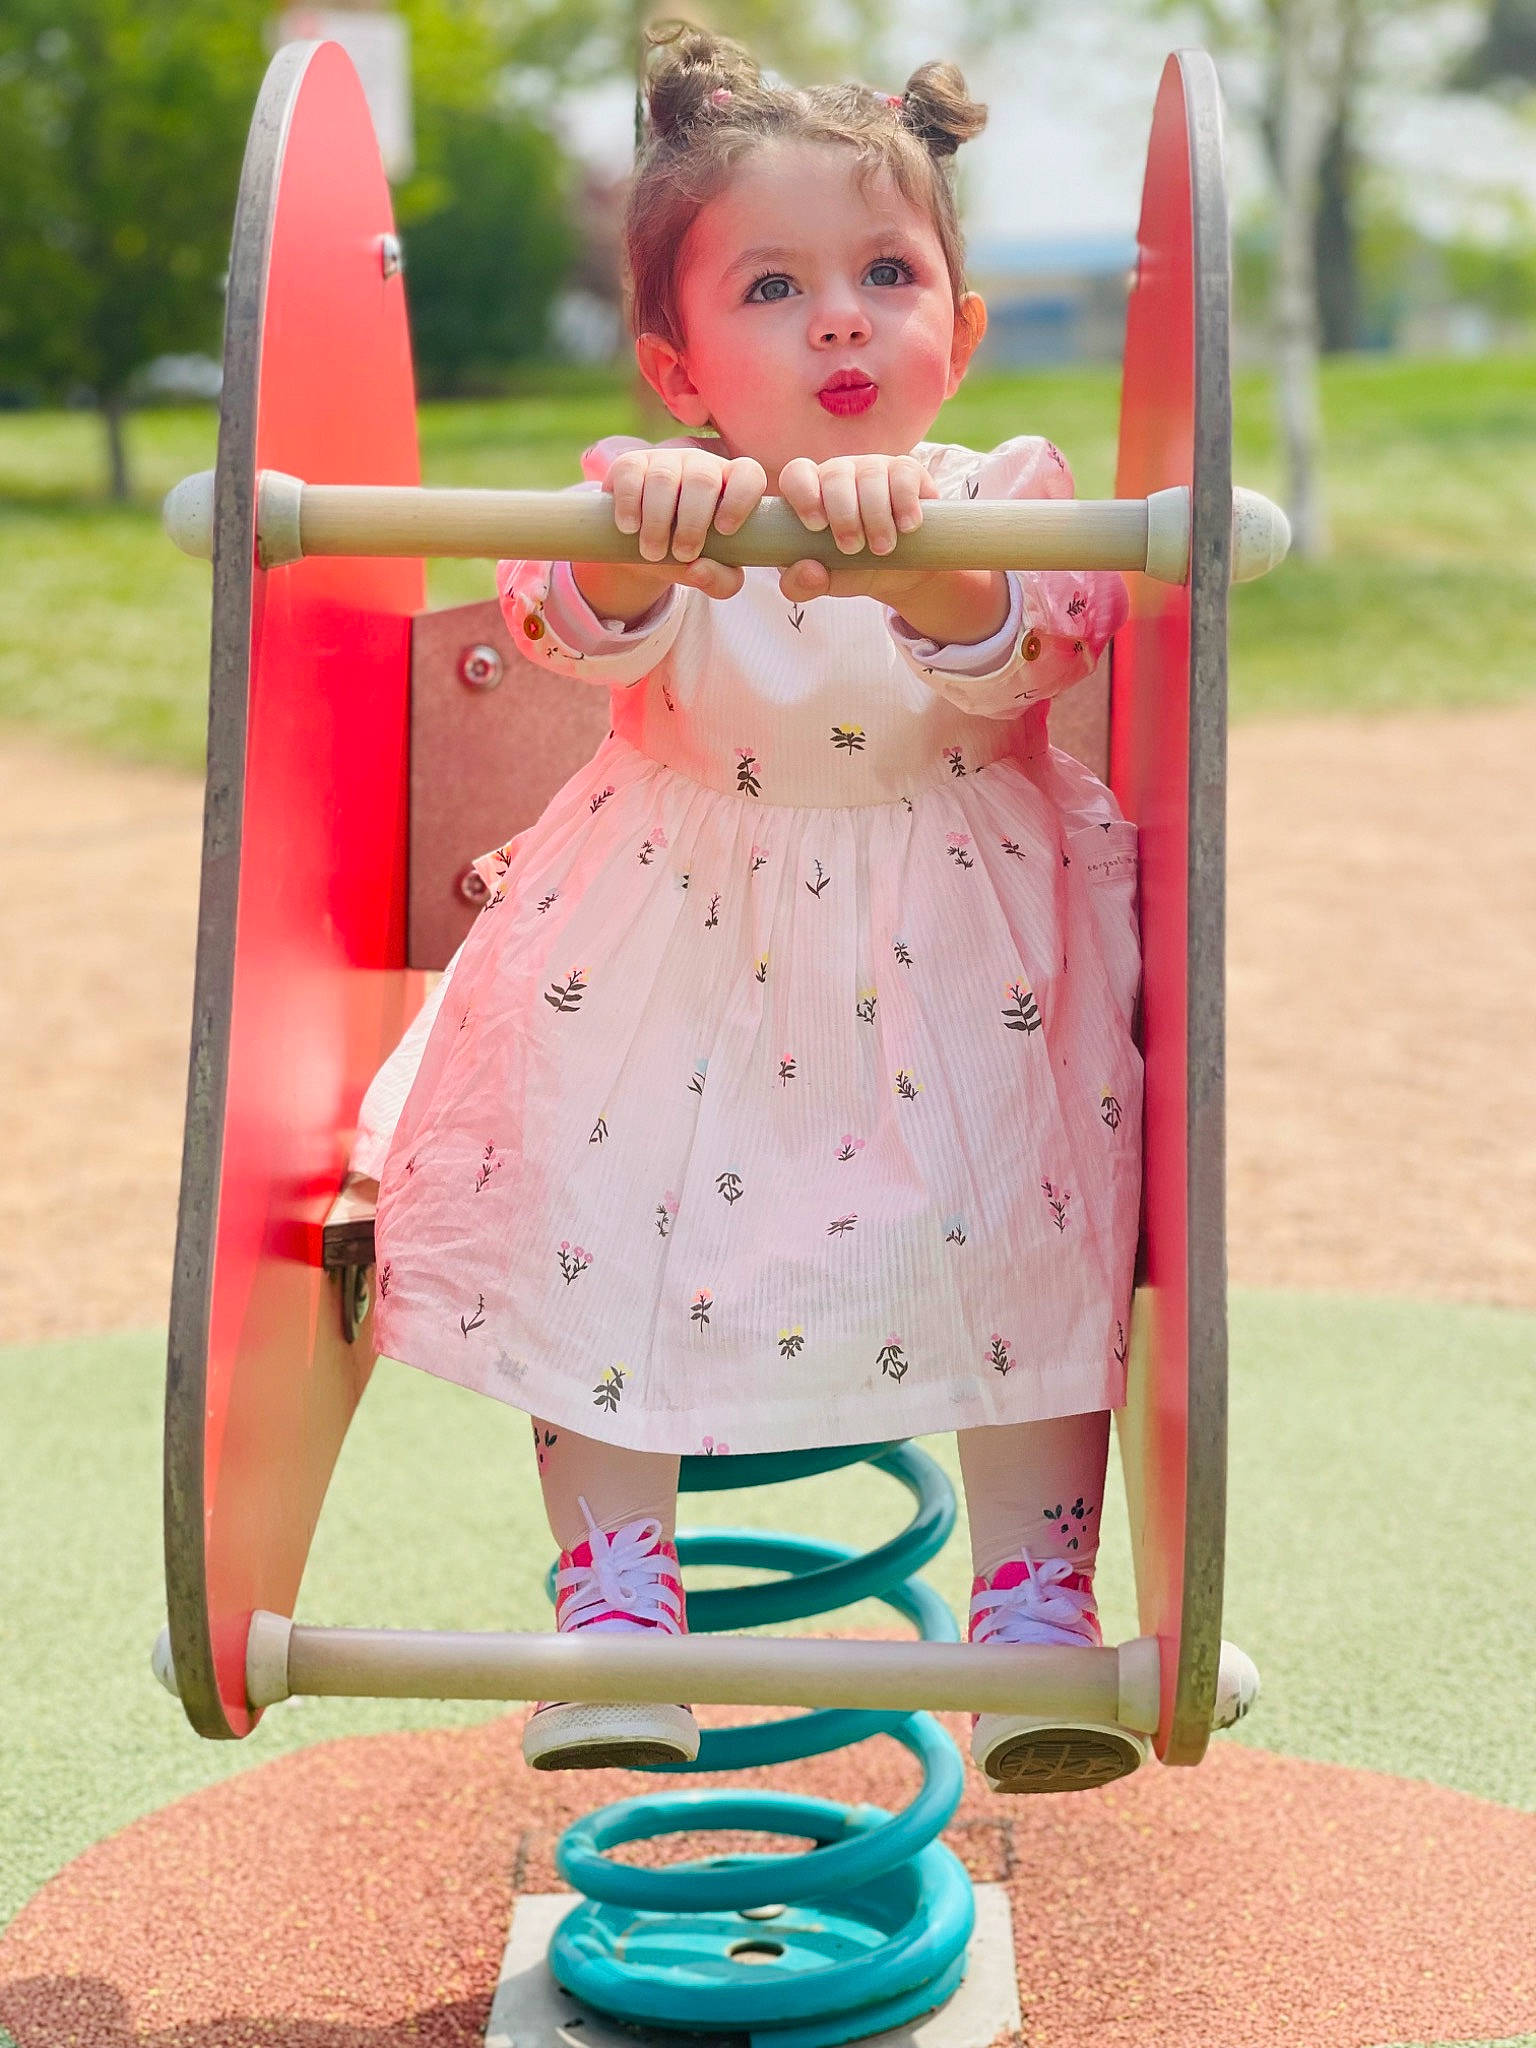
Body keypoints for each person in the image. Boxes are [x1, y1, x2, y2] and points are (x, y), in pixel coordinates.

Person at [346, 19, 1144, 1793]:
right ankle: (615, 1606)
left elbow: (1024, 665)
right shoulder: (650, 504)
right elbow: (563, 621)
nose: (841, 317)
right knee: (588, 1192)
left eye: (884, 272)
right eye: (773, 287)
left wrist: (925, 565)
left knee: (1028, 1204)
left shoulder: (1004, 503)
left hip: (957, 944)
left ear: (964, 323)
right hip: (680, 949)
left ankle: (1031, 1606)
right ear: (680, 363)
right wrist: (660, 524)